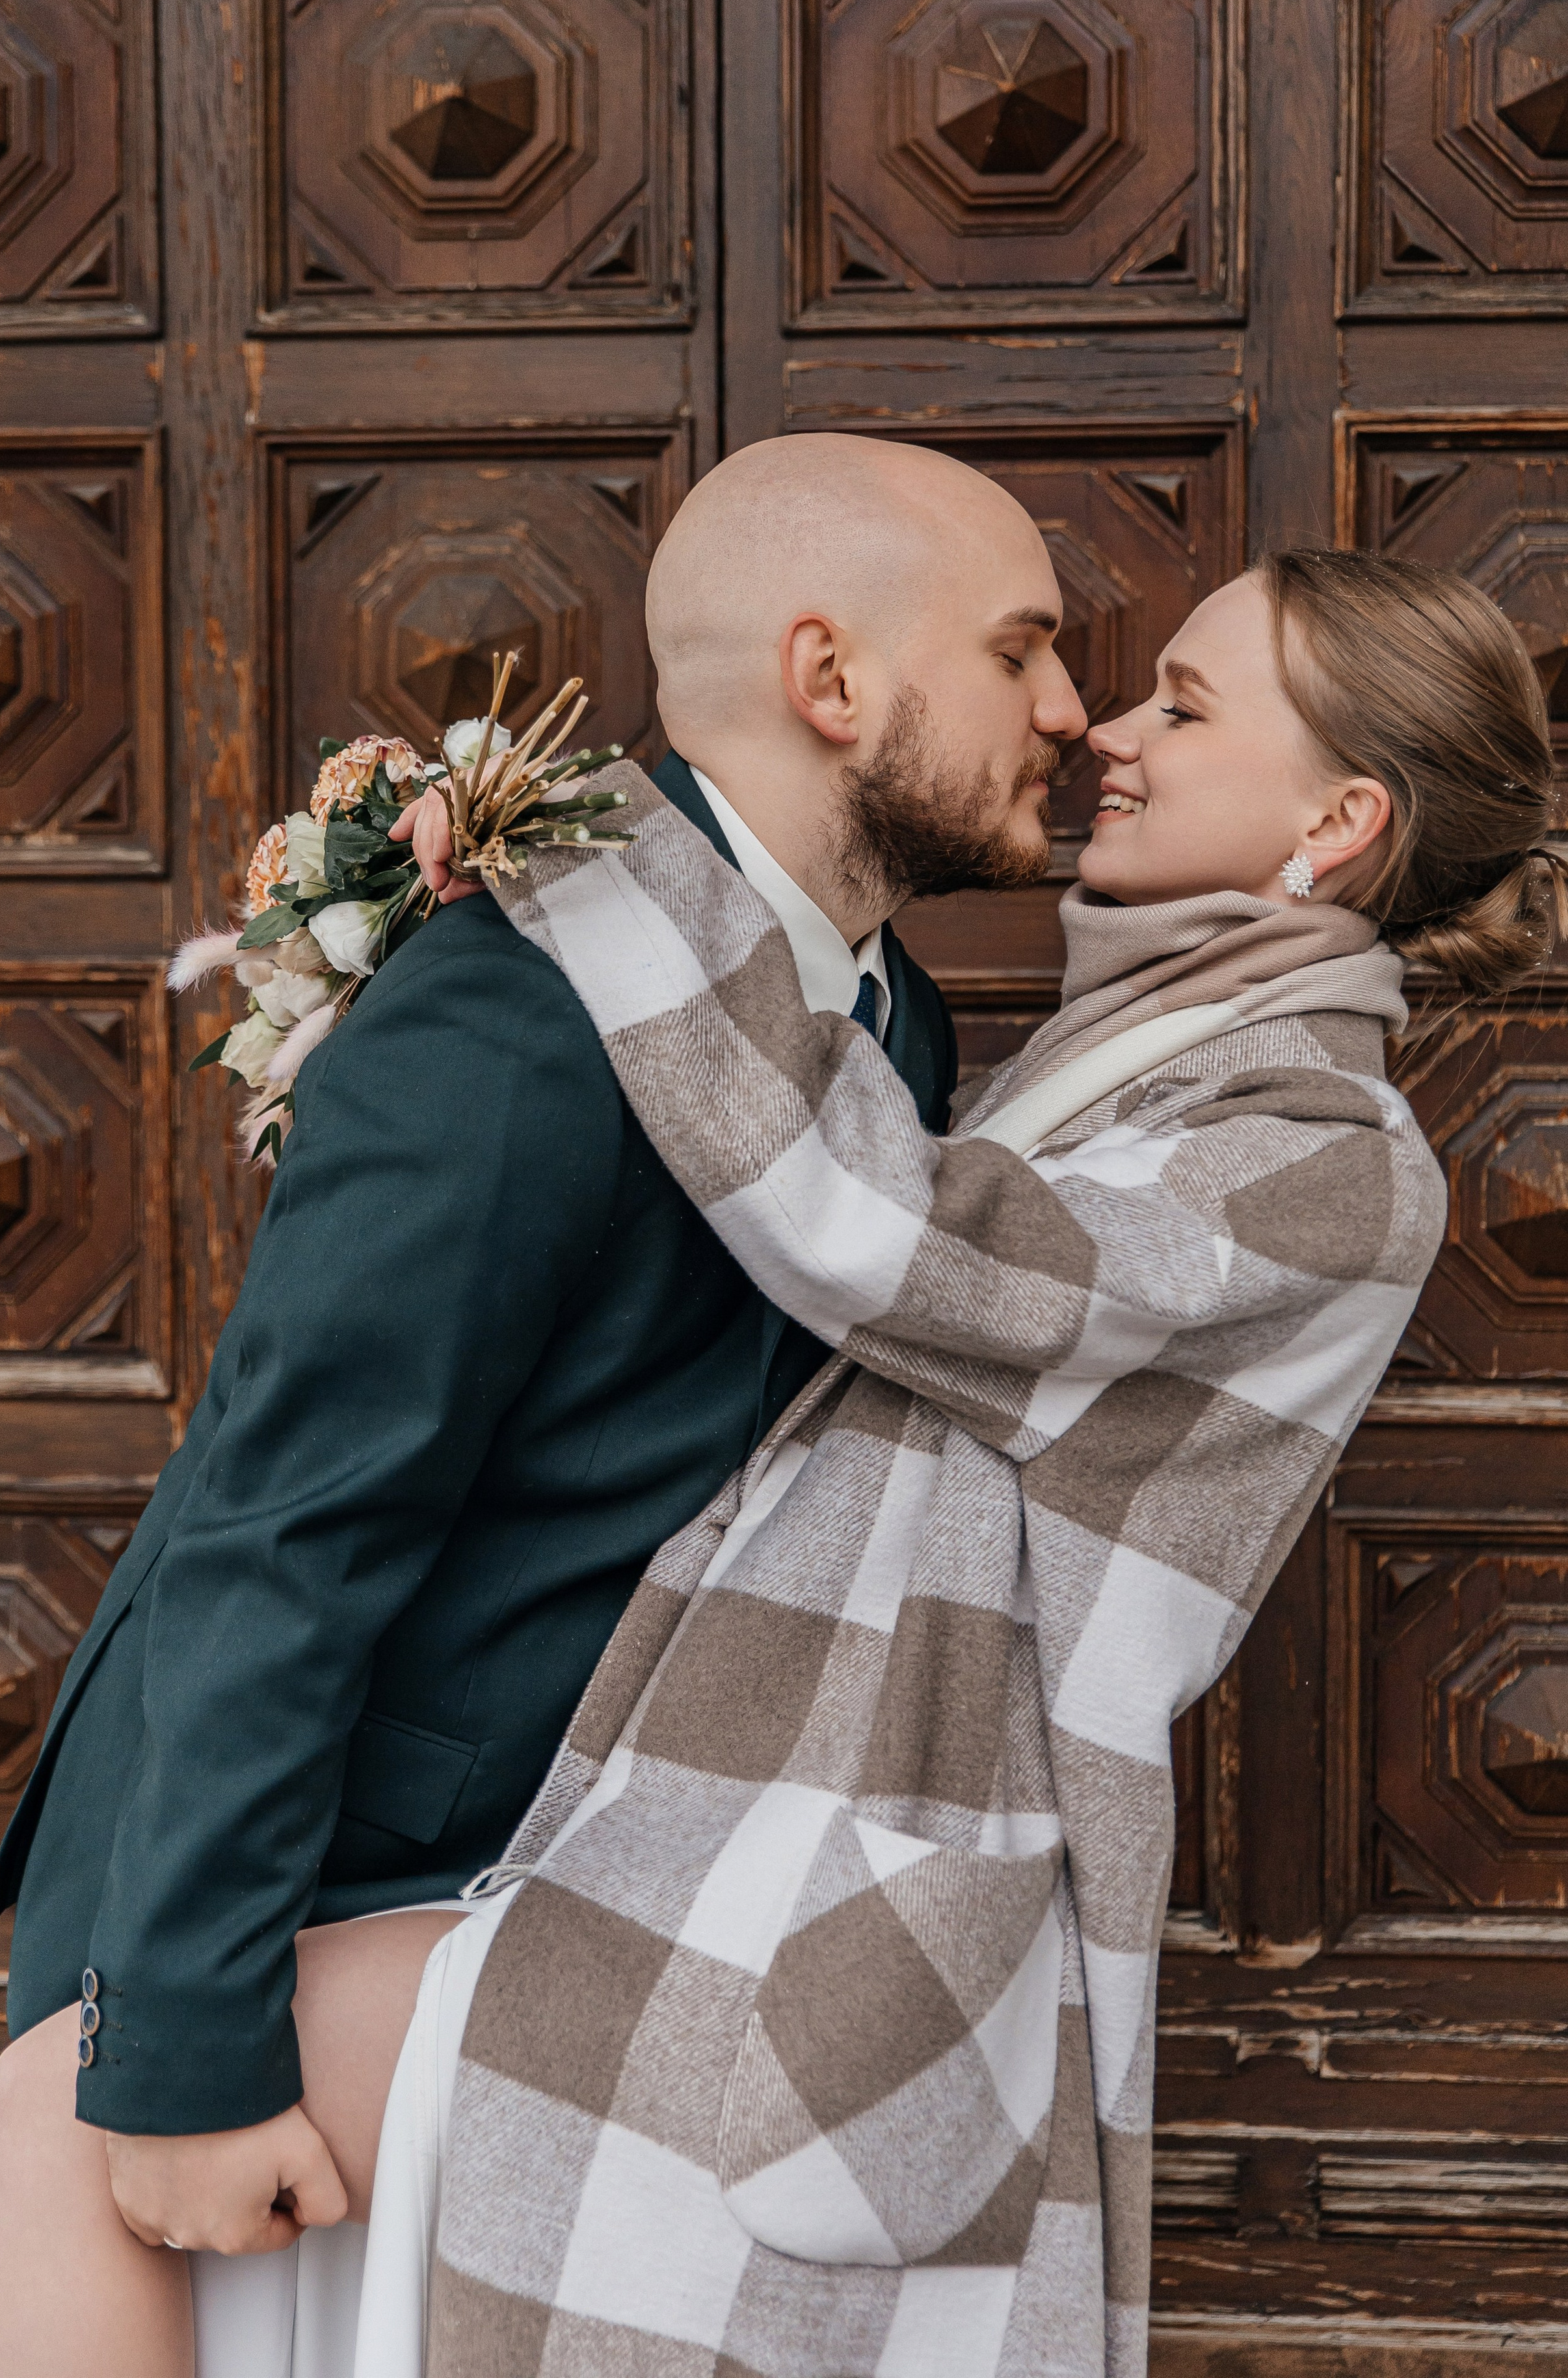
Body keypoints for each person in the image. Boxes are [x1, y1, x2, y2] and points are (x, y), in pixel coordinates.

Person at [347, 546, 1548, 2378]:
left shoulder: (1331, 1152)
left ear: (1342, 815)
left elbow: (883, 1233)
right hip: (725, 1874)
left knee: (101, 2094)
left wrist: (591, 840)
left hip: (832, 1925)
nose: (1108, 733)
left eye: (1185, 704)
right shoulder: (1128, 1069)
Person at [0, 433, 1086, 2378]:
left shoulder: (900, 1014)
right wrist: (181, 2051)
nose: (1073, 712)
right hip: (294, 1879)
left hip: (571, 1876)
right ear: (834, 684)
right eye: (1023, 653)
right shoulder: (521, 1000)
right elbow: (286, 1519)